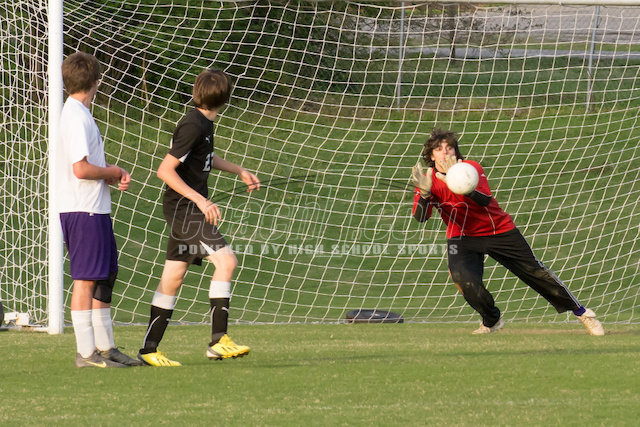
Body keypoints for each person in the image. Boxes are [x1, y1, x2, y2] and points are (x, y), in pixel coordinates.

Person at [411, 129, 604, 336]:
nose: (445, 152)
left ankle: (582, 313)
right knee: (463, 280)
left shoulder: (470, 168)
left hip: (499, 230)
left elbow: (484, 200)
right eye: (438, 149)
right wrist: (424, 194)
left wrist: (460, 183)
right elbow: (421, 217)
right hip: (461, 237)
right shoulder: (427, 179)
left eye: (449, 148)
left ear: (455, 151)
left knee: (535, 273)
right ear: (431, 156)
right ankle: (491, 320)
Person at [138, 69, 260, 366]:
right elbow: (164, 171)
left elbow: (204, 157)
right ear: (226, 98)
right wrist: (200, 200)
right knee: (226, 261)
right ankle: (218, 341)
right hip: (185, 211)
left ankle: (149, 350)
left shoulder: (203, 122)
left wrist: (239, 170)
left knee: (173, 277)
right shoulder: (193, 125)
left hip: (186, 210)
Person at [57, 51, 143, 367]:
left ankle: (106, 348)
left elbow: (86, 166)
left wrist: (107, 175)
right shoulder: (75, 116)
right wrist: (113, 170)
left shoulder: (81, 113)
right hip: (82, 210)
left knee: (106, 275)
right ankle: (85, 353)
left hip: (95, 208)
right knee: (86, 278)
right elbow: (80, 169)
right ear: (96, 81)